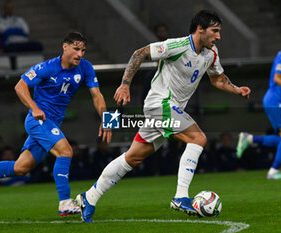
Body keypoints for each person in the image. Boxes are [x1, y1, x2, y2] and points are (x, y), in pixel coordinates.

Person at [75, 10, 251, 223]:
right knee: (198, 138)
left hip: (171, 110)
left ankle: (89, 197)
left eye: (219, 32)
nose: (218, 37)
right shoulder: (177, 46)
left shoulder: (211, 53)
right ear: (200, 29)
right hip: (160, 105)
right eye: (215, 31)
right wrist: (124, 84)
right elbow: (139, 54)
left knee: (133, 157)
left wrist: (237, 90)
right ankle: (181, 196)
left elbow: (218, 78)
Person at [0, 31, 111, 216]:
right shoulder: (47, 67)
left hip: (52, 123)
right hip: (37, 120)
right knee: (66, 151)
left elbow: (97, 95)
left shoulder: (86, 67)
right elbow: (19, 86)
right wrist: (34, 107)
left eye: (83, 50)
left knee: (21, 168)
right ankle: (64, 202)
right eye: (76, 49)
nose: (80, 54)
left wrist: (107, 119)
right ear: (65, 47)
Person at [236, 26, 281, 179]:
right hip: (275, 99)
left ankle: (249, 139)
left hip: (278, 99)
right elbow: (277, 78)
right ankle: (274, 171)